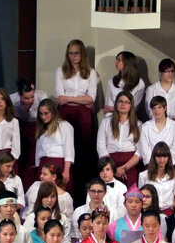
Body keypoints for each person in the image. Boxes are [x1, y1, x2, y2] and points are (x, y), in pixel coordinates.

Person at [56, 39, 99, 198]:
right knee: (66, 148)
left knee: (83, 154)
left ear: (82, 54)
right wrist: (79, 99)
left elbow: (91, 98)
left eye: (77, 53)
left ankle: (82, 191)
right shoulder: (60, 71)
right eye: (71, 53)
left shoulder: (91, 72)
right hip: (66, 113)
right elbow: (61, 98)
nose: (74, 56)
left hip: (83, 116)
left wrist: (69, 99)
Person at [97, 91, 142, 187]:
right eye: (120, 101)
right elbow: (101, 146)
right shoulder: (106, 122)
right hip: (110, 163)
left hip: (130, 165)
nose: (123, 104)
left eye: (127, 102)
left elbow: (139, 151)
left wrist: (124, 168)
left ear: (131, 105)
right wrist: (112, 168)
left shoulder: (138, 124)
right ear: (116, 103)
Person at [35, 98, 76, 193]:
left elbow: (68, 149)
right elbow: (38, 151)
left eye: (46, 113)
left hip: (58, 164)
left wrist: (66, 170)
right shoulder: (41, 128)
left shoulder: (63, 125)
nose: (43, 116)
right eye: (41, 114)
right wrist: (38, 169)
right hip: (44, 164)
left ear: (53, 112)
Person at [11, 77, 47, 180]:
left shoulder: (41, 96)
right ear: (19, 96)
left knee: (33, 155)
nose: (30, 100)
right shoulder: (12, 100)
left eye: (32, 97)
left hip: (36, 126)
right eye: (26, 98)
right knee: (22, 154)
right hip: (20, 126)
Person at [138, 142, 175, 212]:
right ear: (154, 157)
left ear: (168, 157)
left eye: (164, 156)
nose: (162, 160)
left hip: (169, 213)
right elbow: (141, 197)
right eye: (159, 156)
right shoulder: (143, 176)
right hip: (150, 212)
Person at [139, 95, 175, 165]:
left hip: (168, 165)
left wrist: (166, 163)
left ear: (165, 108)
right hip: (151, 165)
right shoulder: (145, 127)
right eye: (154, 108)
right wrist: (153, 164)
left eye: (159, 107)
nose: (156, 111)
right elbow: (145, 149)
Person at [145, 58, 175, 123]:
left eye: (172, 71)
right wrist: (161, 121)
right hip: (156, 123)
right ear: (160, 72)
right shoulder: (151, 89)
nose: (170, 74)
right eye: (167, 71)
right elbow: (149, 110)